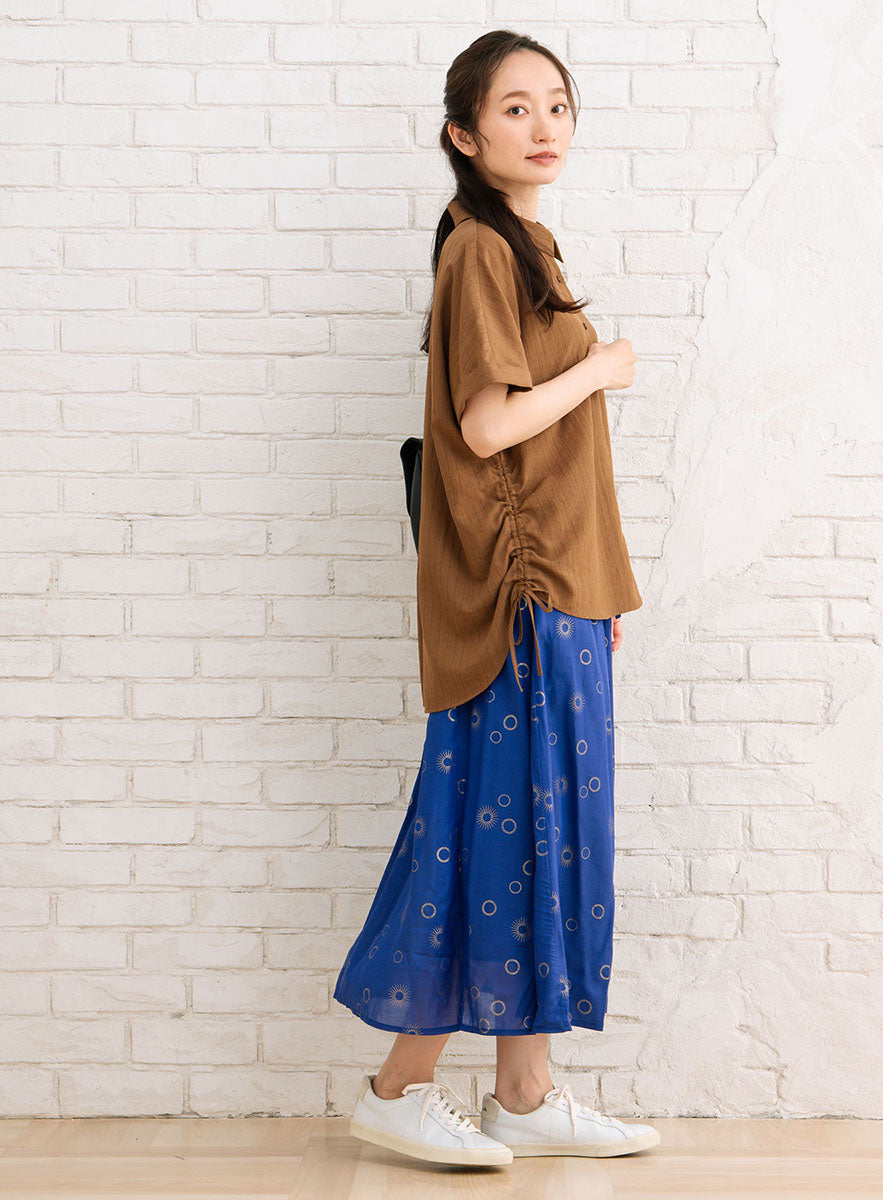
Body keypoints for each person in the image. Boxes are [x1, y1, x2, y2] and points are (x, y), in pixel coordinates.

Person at [333, 29, 659, 1167]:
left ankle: (524, 1091)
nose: (544, 125)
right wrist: (600, 368)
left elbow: (546, 458)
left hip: (559, 589)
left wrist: (597, 586)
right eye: (515, 108)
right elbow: (486, 428)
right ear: (465, 136)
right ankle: (397, 1086)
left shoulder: (527, 245)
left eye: (557, 104)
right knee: (490, 829)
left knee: (546, 832)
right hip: (517, 598)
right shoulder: (480, 248)